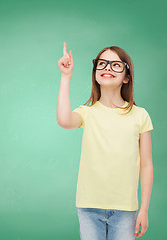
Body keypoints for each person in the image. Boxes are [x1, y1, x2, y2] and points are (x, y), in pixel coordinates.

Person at [56, 42, 153, 240]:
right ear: (95, 73)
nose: (107, 68)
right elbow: (64, 121)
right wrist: (66, 77)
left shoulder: (140, 115)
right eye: (102, 64)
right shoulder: (87, 113)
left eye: (115, 65)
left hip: (126, 209)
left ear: (126, 77)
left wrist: (144, 209)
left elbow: (147, 165)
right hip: (89, 207)